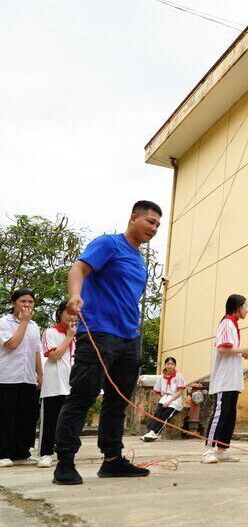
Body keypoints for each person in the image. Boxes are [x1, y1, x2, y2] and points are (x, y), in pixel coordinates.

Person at [53, 201, 161, 485]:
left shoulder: (139, 261)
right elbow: (78, 269)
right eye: (150, 221)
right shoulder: (108, 245)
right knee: (82, 397)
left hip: (130, 338)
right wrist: (75, 296)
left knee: (118, 402)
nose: (154, 228)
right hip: (99, 333)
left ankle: (112, 460)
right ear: (133, 218)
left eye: (158, 225)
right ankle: (64, 462)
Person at [202, 295, 248, 464]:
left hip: (233, 379)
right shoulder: (226, 323)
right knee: (220, 414)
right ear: (238, 307)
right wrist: (242, 349)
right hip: (224, 379)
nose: (247, 310)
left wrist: (241, 351)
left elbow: (231, 349)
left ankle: (222, 450)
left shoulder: (234, 325)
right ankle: (208, 450)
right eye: (245, 306)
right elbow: (222, 349)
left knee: (230, 415)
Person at [0, 289, 42, 468]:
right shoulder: (4, 322)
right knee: (6, 416)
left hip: (28, 377)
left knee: (27, 416)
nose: (27, 305)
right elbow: (11, 344)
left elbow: (36, 351)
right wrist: (23, 322)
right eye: (23, 301)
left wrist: (40, 374)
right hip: (7, 376)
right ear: (13, 303)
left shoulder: (34, 325)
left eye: (30, 302)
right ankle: (3, 453)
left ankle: (22, 452)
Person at [38, 300, 75, 467]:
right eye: (68, 312)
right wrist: (68, 337)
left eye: (75, 314)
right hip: (54, 384)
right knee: (50, 421)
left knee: (69, 423)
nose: (71, 317)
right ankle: (45, 453)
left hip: (72, 384)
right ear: (60, 313)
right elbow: (53, 356)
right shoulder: (51, 332)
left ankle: (65, 454)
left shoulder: (80, 335)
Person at [140, 357, 186, 442]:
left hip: (175, 400)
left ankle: (155, 433)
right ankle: (150, 432)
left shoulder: (179, 376)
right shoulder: (161, 378)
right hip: (164, 399)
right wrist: (162, 399)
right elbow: (156, 391)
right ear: (165, 365)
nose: (170, 366)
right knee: (157, 414)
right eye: (168, 364)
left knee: (165, 415)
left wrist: (169, 401)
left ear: (175, 365)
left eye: (172, 364)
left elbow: (180, 391)